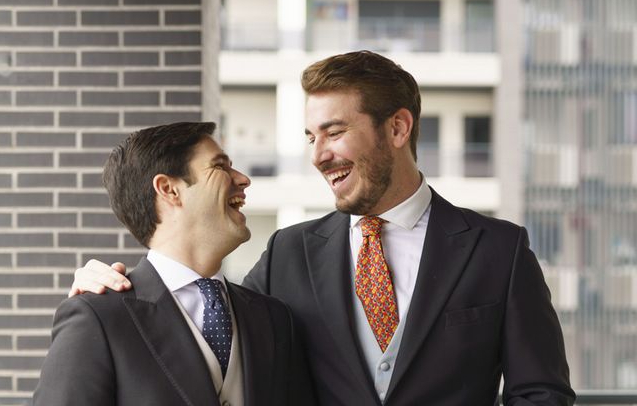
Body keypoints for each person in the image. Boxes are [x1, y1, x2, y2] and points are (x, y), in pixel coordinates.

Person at [69, 51, 576, 405]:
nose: (318, 155)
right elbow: (208, 327)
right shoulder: (289, 252)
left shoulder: (499, 250)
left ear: (397, 128)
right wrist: (109, 289)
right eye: (311, 136)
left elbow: (541, 392)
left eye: (334, 132)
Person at [34, 122, 314, 406]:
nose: (242, 179)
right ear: (169, 189)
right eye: (220, 167)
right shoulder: (98, 317)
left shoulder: (274, 319)